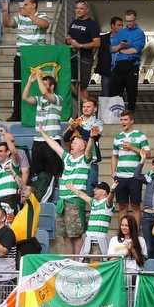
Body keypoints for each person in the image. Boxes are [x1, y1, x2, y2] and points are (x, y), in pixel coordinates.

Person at [38, 122, 95, 255]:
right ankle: (70, 260)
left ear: (82, 147)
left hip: (74, 201)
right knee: (65, 235)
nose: (72, 145)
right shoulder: (68, 158)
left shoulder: (85, 160)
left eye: (75, 143)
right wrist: (43, 134)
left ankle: (78, 261)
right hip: (62, 202)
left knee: (76, 234)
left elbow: (90, 148)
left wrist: (91, 137)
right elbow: (55, 146)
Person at [3, 0, 50, 121]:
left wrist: (29, 15)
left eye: (26, 4)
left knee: (40, 85)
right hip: (21, 56)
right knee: (18, 85)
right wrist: (4, 11)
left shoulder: (42, 15)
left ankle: (41, 112)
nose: (23, 6)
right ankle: (17, 114)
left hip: (37, 57)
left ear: (34, 5)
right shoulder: (20, 18)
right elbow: (7, 24)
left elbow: (45, 25)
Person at [23, 69, 64, 196]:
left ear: (52, 86)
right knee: (38, 172)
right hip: (38, 140)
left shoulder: (58, 98)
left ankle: (53, 194)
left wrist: (39, 78)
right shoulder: (39, 99)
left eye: (45, 84)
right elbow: (25, 97)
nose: (42, 87)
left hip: (52, 139)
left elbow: (46, 94)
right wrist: (30, 82)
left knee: (54, 172)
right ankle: (41, 193)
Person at [111, 110, 150, 227]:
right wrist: (113, 172)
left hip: (135, 176)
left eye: (125, 119)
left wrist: (132, 147)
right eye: (122, 120)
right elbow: (114, 155)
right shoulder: (118, 137)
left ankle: (135, 234)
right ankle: (122, 234)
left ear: (132, 121)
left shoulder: (140, 135)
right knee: (122, 205)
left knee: (135, 205)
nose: (123, 122)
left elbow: (147, 154)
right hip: (120, 176)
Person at [63, 97, 104, 194]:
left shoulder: (97, 123)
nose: (85, 109)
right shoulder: (77, 120)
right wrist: (72, 129)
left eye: (88, 107)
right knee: (74, 188)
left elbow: (91, 135)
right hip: (76, 159)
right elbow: (66, 138)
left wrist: (76, 126)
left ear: (95, 108)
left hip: (91, 159)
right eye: (84, 106)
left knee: (90, 189)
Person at [66, 180, 116, 258]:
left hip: (98, 244)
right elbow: (83, 196)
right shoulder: (94, 203)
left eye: (97, 188)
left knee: (96, 268)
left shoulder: (107, 204)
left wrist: (112, 191)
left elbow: (110, 200)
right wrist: (72, 188)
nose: (94, 190)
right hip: (88, 243)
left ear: (104, 192)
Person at [65, 0, 101, 106]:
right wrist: (68, 40)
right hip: (72, 57)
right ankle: (85, 106)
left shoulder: (92, 25)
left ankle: (87, 109)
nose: (79, 10)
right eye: (77, 8)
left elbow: (97, 43)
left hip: (85, 58)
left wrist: (80, 46)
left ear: (87, 10)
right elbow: (70, 38)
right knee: (69, 83)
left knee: (83, 86)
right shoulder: (73, 23)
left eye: (81, 8)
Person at [109, 9, 146, 113]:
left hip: (133, 64)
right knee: (113, 91)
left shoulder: (140, 33)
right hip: (120, 65)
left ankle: (130, 115)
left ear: (136, 20)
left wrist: (120, 50)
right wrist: (120, 46)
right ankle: (113, 115)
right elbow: (112, 49)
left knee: (132, 93)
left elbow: (135, 50)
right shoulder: (121, 32)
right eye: (127, 21)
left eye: (131, 21)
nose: (129, 23)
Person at [96, 16, 122, 98]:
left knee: (117, 95)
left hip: (119, 70)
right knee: (105, 94)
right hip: (107, 70)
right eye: (118, 25)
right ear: (112, 26)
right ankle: (105, 111)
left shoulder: (124, 39)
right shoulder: (103, 38)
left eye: (122, 25)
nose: (121, 27)